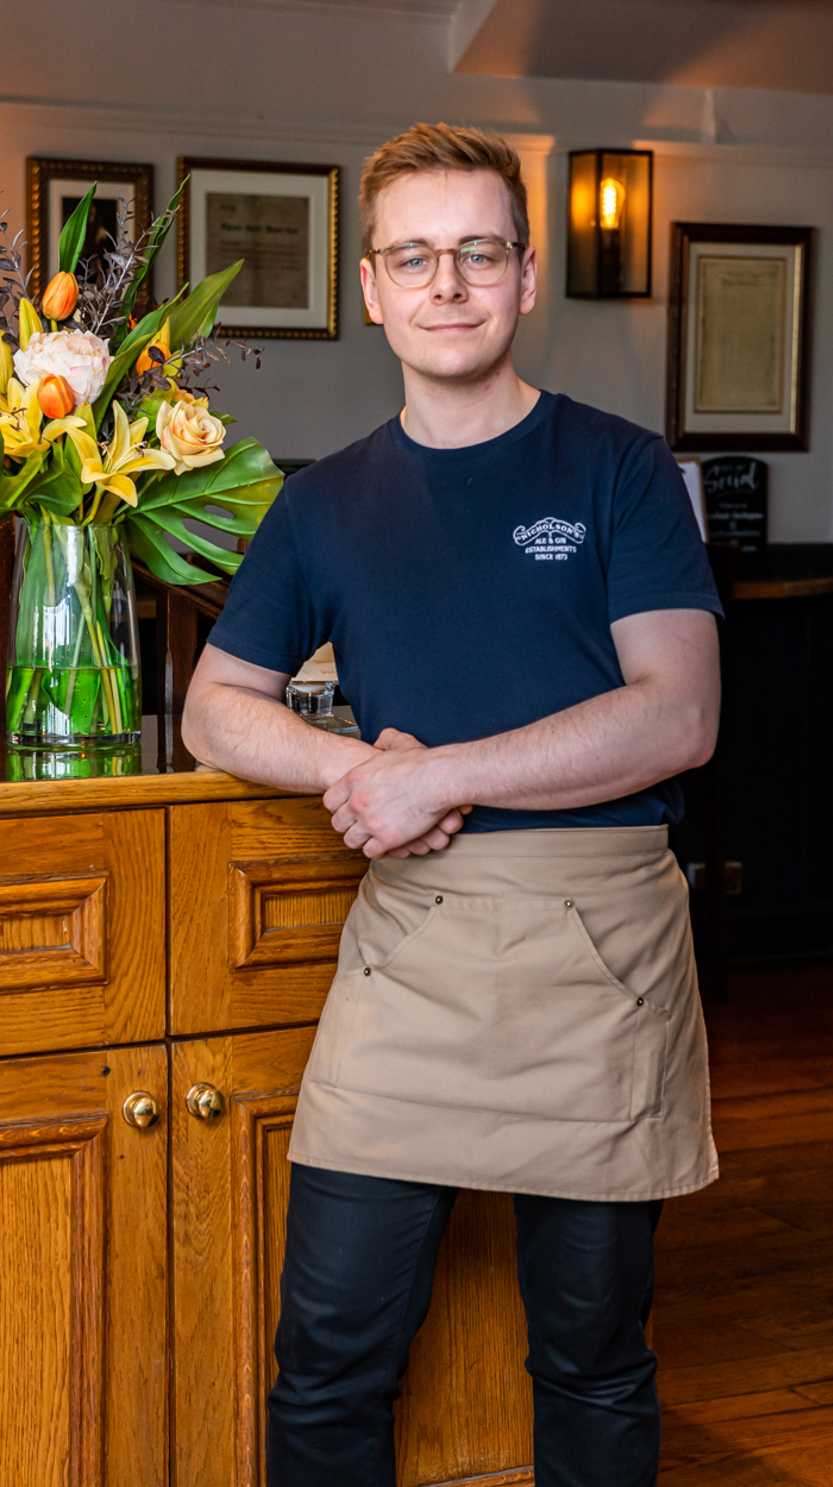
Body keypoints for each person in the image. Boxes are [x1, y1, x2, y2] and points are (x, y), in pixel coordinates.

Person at [181, 121, 723, 1487]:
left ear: (524, 276)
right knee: (328, 1361)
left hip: (599, 955)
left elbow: (678, 713)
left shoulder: (618, 469)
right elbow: (212, 710)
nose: (446, 284)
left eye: (476, 253)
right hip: (409, 952)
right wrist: (354, 773)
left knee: (591, 1358)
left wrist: (441, 773)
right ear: (370, 287)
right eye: (413, 258)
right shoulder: (321, 505)